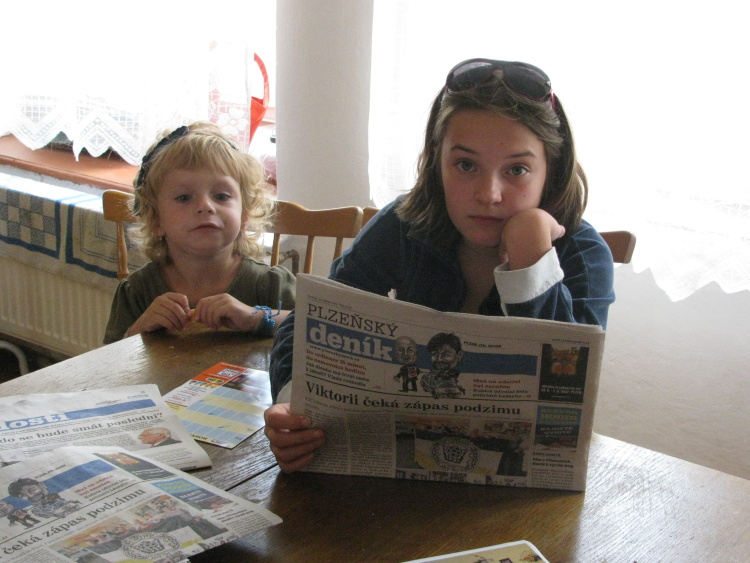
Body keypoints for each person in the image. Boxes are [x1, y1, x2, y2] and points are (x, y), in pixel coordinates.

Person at [264, 58, 615, 472]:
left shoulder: (583, 254)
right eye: (466, 165)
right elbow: (307, 322)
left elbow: (569, 391)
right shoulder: (404, 224)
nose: (489, 194)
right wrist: (292, 409)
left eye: (517, 169)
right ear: (437, 162)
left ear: (550, 171)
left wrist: (532, 262)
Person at [103, 121, 295, 344]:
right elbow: (109, 359)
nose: (205, 206)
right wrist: (139, 331)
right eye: (184, 198)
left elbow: (310, 329)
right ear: (156, 220)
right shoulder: (137, 291)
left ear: (245, 215)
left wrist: (257, 317)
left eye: (221, 196)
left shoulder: (271, 285)